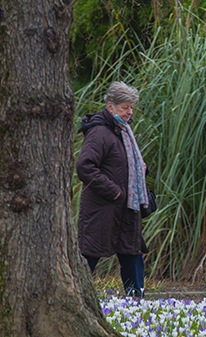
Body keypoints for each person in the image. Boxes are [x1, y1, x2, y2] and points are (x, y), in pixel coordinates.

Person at [76, 81, 150, 298]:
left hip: (127, 207)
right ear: (110, 107)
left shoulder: (122, 131)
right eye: (125, 107)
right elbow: (84, 167)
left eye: (131, 107)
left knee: (132, 253)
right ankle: (78, 299)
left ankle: (137, 302)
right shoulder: (99, 132)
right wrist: (115, 192)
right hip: (103, 208)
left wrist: (140, 170)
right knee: (89, 255)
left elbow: (121, 163)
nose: (130, 112)